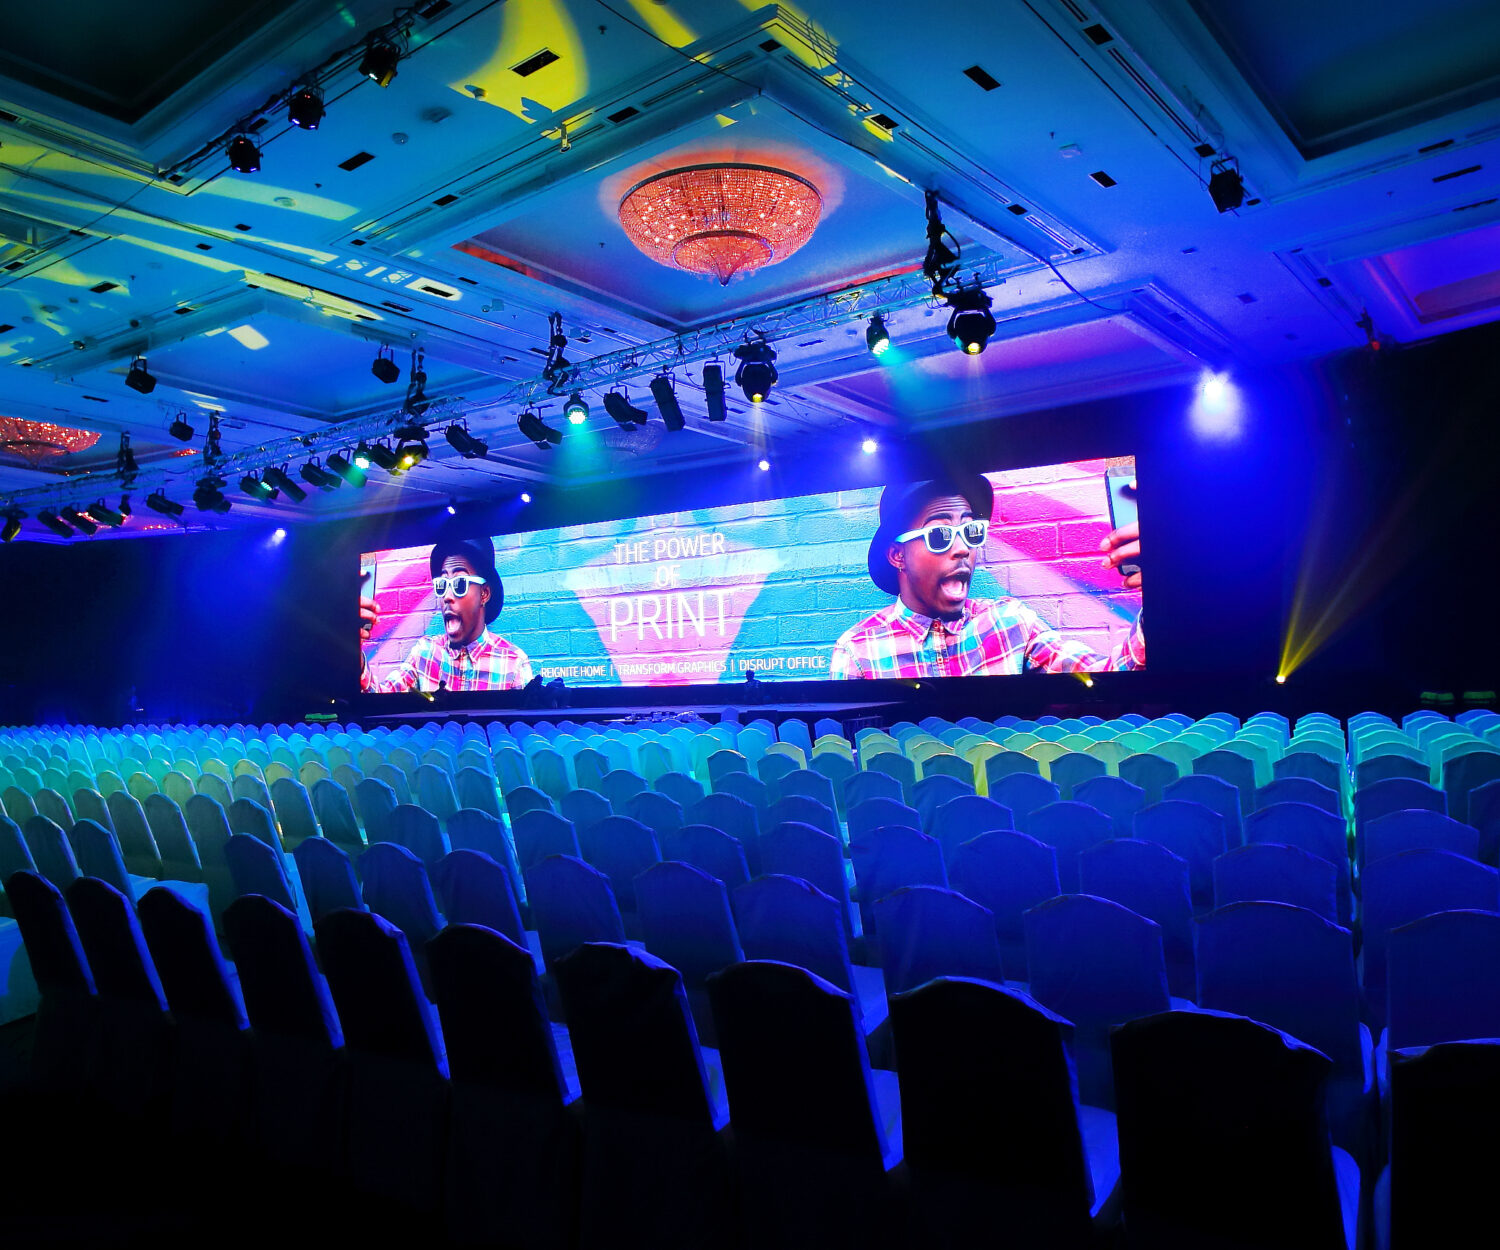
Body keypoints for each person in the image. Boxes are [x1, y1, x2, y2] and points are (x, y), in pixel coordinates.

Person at [830, 471, 1144, 679]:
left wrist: (1162, 584)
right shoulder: (858, 652)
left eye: (971, 531)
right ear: (898, 556)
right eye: (939, 535)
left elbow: (1109, 676)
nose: (962, 548)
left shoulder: (1009, 622)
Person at [360, 530, 533, 692]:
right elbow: (381, 697)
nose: (447, 596)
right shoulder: (425, 653)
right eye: (442, 585)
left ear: (484, 594)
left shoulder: (514, 664)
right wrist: (354, 652)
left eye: (459, 584)